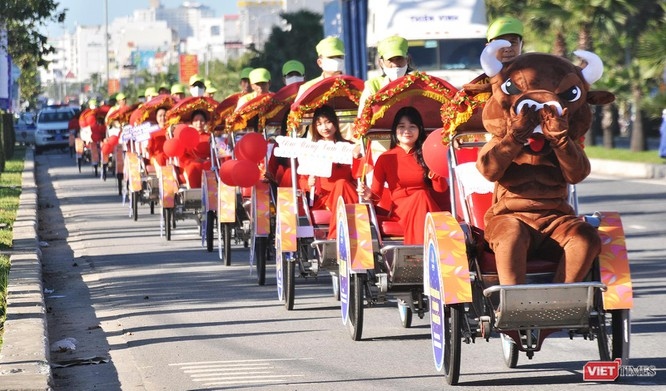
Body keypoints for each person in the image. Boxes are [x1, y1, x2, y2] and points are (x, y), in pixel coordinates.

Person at [359, 106, 450, 245]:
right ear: (395, 130)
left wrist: (436, 174)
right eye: (402, 126)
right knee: (421, 196)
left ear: (419, 130)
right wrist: (367, 194)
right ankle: (423, 250)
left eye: (412, 126)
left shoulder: (426, 154)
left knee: (422, 196)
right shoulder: (386, 158)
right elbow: (376, 196)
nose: (407, 131)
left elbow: (440, 189)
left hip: (426, 205)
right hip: (401, 210)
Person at [306, 105, 360, 239]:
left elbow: (358, 175)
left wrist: (358, 156)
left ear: (335, 123)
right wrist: (308, 183)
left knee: (342, 184)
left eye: (328, 122)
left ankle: (336, 236)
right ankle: (337, 237)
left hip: (348, 193)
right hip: (326, 199)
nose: (324, 128)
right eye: (319, 124)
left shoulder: (349, 147)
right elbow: (302, 178)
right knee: (341, 184)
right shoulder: (312, 148)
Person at [358, 35, 411, 114]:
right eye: (390, 60)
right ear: (381, 63)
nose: (395, 64)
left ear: (407, 60)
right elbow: (361, 118)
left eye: (399, 59)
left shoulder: (419, 83)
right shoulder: (373, 86)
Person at [179, 110, 211, 188]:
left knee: (210, 167)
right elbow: (182, 156)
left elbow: (214, 153)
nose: (199, 123)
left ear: (205, 122)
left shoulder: (210, 137)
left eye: (202, 120)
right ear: (192, 123)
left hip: (206, 163)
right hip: (191, 163)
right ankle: (193, 192)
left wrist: (208, 159)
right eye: (196, 120)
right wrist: (190, 161)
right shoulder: (187, 136)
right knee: (192, 168)